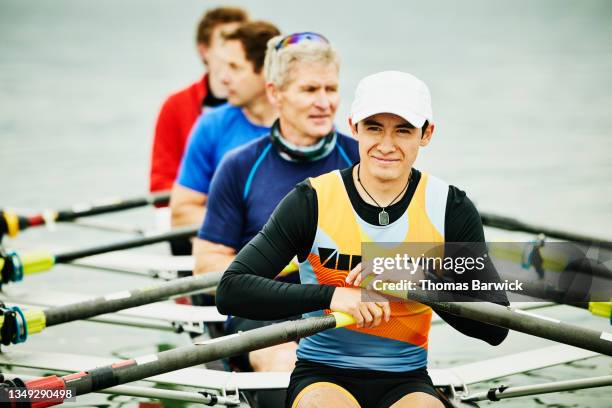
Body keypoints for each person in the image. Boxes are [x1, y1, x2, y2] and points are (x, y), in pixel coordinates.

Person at [216, 71, 509, 407]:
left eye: (403, 130)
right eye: (374, 128)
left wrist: (419, 281)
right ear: (353, 126)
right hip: (322, 373)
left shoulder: (450, 208)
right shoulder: (311, 200)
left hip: (408, 379)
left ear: (427, 133)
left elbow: (495, 327)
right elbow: (232, 290)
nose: (386, 145)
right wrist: (332, 295)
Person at [195, 32, 359, 378]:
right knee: (282, 361)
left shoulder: (361, 160)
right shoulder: (240, 166)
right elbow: (206, 263)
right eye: (310, 90)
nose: (324, 103)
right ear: (275, 94)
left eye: (331, 89)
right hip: (265, 306)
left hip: (347, 302)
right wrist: (274, 274)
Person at [170, 21, 280, 231]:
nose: (223, 78)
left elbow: (363, 221)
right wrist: (252, 233)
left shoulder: (317, 133)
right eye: (223, 67)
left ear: (267, 72)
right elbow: (181, 213)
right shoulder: (211, 125)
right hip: (232, 260)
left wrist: (366, 265)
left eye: (235, 67)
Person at [149, 6, 248, 194]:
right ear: (204, 51)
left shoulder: (261, 104)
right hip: (197, 213)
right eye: (226, 42)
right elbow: (160, 183)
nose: (235, 51)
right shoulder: (176, 105)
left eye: (242, 43)